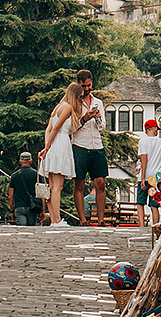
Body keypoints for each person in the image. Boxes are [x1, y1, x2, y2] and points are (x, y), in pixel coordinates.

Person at [38, 80, 84, 227]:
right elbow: (56, 128)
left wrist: (47, 146)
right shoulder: (68, 107)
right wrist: (48, 147)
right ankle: (56, 220)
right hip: (60, 144)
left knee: (52, 186)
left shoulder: (58, 107)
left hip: (53, 145)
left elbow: (49, 128)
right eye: (80, 97)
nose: (81, 99)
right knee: (57, 186)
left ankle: (54, 219)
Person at [67, 71, 108, 227]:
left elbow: (103, 128)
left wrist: (97, 118)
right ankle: (83, 220)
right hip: (80, 145)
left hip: (97, 145)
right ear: (78, 84)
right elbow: (71, 128)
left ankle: (101, 220)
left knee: (101, 182)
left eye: (89, 85)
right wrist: (84, 119)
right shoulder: (74, 103)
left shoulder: (98, 102)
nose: (86, 89)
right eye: (83, 86)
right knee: (79, 183)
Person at [136, 118, 161, 228]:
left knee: (140, 203)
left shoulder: (143, 142)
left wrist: (142, 179)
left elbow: (144, 158)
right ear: (155, 129)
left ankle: (142, 226)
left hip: (146, 176)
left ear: (146, 131)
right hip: (157, 179)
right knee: (154, 205)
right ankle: (156, 226)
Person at [8, 151, 40, 226]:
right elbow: (41, 193)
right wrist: (43, 211)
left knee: (22, 229)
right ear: (31, 161)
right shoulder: (36, 175)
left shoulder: (14, 176)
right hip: (32, 207)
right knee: (31, 230)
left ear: (20, 161)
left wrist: (12, 211)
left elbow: (10, 196)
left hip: (19, 207)